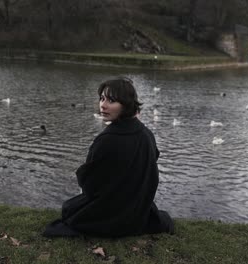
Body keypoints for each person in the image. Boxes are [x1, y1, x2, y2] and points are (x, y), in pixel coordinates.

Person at [43, 77, 174, 237]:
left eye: (111, 101)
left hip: (114, 211)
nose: (103, 105)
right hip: (137, 209)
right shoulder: (147, 134)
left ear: (125, 105)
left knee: (69, 209)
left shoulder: (107, 139)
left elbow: (89, 184)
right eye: (102, 98)